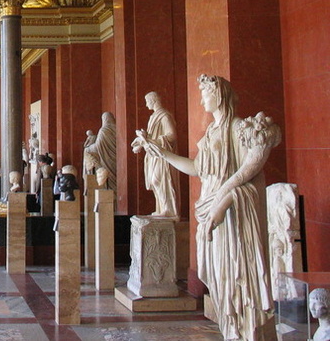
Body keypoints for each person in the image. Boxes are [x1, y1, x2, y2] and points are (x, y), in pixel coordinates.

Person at [148, 75, 280, 340]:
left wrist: (224, 199)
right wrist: (163, 154)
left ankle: (244, 333)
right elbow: (197, 169)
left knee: (235, 277)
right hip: (210, 211)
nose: (201, 99)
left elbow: (251, 174)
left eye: (205, 94)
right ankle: (231, 331)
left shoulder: (240, 128)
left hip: (233, 217)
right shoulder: (211, 132)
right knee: (220, 281)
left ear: (218, 95)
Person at [131, 91, 178, 217]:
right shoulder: (153, 116)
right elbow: (152, 137)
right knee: (154, 181)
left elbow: (172, 136)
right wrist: (143, 140)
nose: (146, 105)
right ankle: (161, 209)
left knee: (159, 179)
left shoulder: (164, 116)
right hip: (154, 154)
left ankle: (169, 209)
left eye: (147, 102)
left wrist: (151, 141)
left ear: (153, 101)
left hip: (162, 154)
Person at [83, 112, 117, 191]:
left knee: (87, 152)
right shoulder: (117, 129)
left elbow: (98, 145)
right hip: (116, 160)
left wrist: (88, 147)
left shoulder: (104, 130)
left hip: (106, 160)